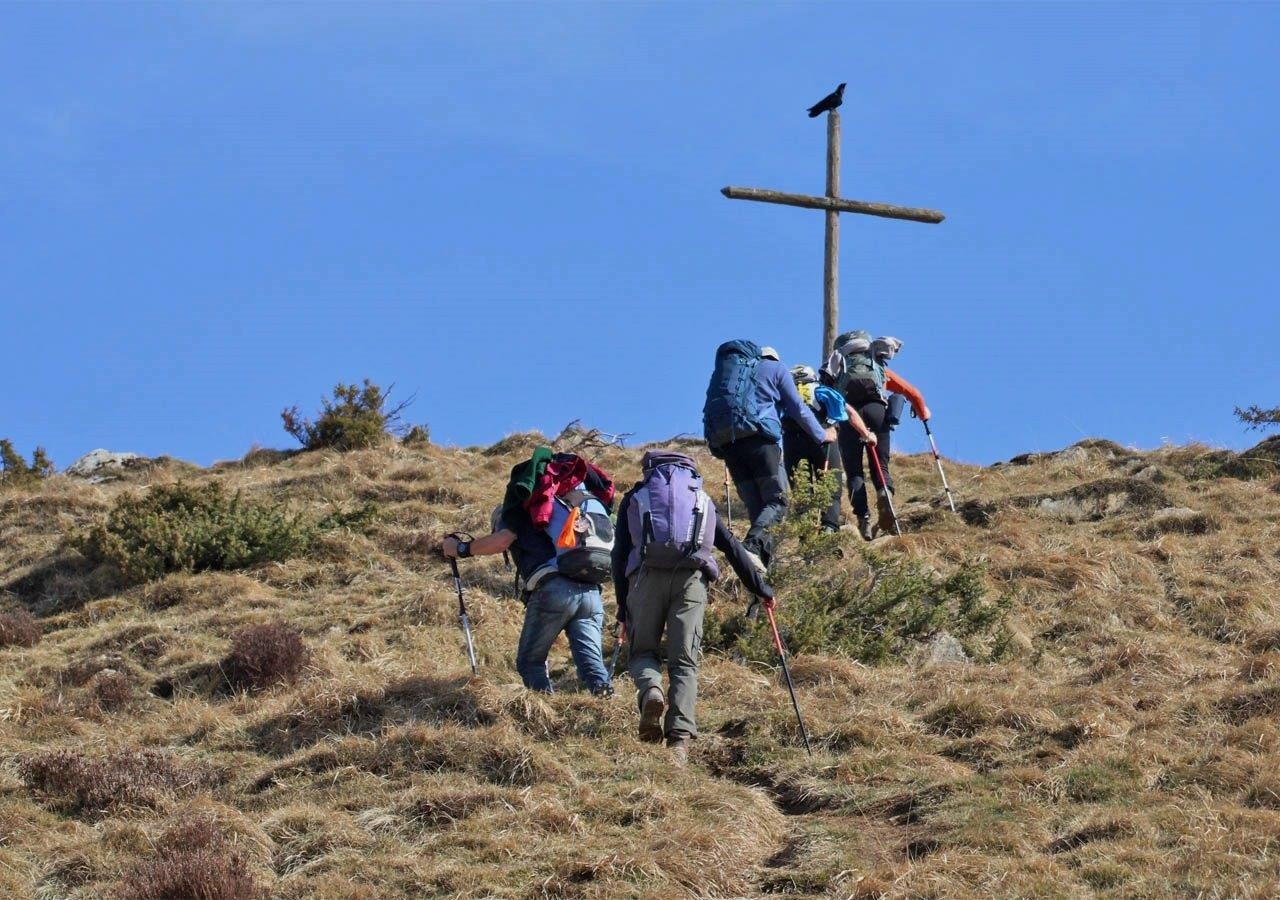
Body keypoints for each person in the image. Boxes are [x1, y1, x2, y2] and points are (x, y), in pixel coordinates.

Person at [611, 451, 775, 763]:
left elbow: (619, 554)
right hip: (691, 580)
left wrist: (622, 607)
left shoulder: (635, 497)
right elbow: (732, 548)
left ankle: (652, 692)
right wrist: (761, 589)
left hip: (645, 579)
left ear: (649, 469)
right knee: (684, 662)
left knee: (643, 652)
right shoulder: (702, 499)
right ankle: (678, 745)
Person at [441, 448, 616, 696]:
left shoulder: (521, 513)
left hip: (553, 588)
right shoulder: (568, 504)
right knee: (591, 665)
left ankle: (545, 711)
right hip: (591, 591)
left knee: (530, 661)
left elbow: (501, 540)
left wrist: (460, 548)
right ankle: (606, 701)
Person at [702, 341, 834, 571]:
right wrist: (821, 435)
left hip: (730, 446)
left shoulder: (727, 374)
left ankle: (760, 570)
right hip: (760, 442)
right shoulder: (775, 369)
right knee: (777, 500)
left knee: (757, 508)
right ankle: (752, 549)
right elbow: (797, 408)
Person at [823, 333, 930, 540]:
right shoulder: (877, 366)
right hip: (877, 410)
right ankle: (884, 494)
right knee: (880, 464)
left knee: (854, 471)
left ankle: (863, 519)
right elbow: (912, 392)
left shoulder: (838, 367)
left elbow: (824, 394)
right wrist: (924, 413)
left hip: (848, 414)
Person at [783, 364, 878, 533]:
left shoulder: (784, 395)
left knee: (801, 489)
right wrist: (867, 435)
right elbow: (849, 413)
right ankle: (828, 527)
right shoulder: (820, 390)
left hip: (792, 441)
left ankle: (806, 536)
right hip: (824, 439)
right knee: (830, 485)